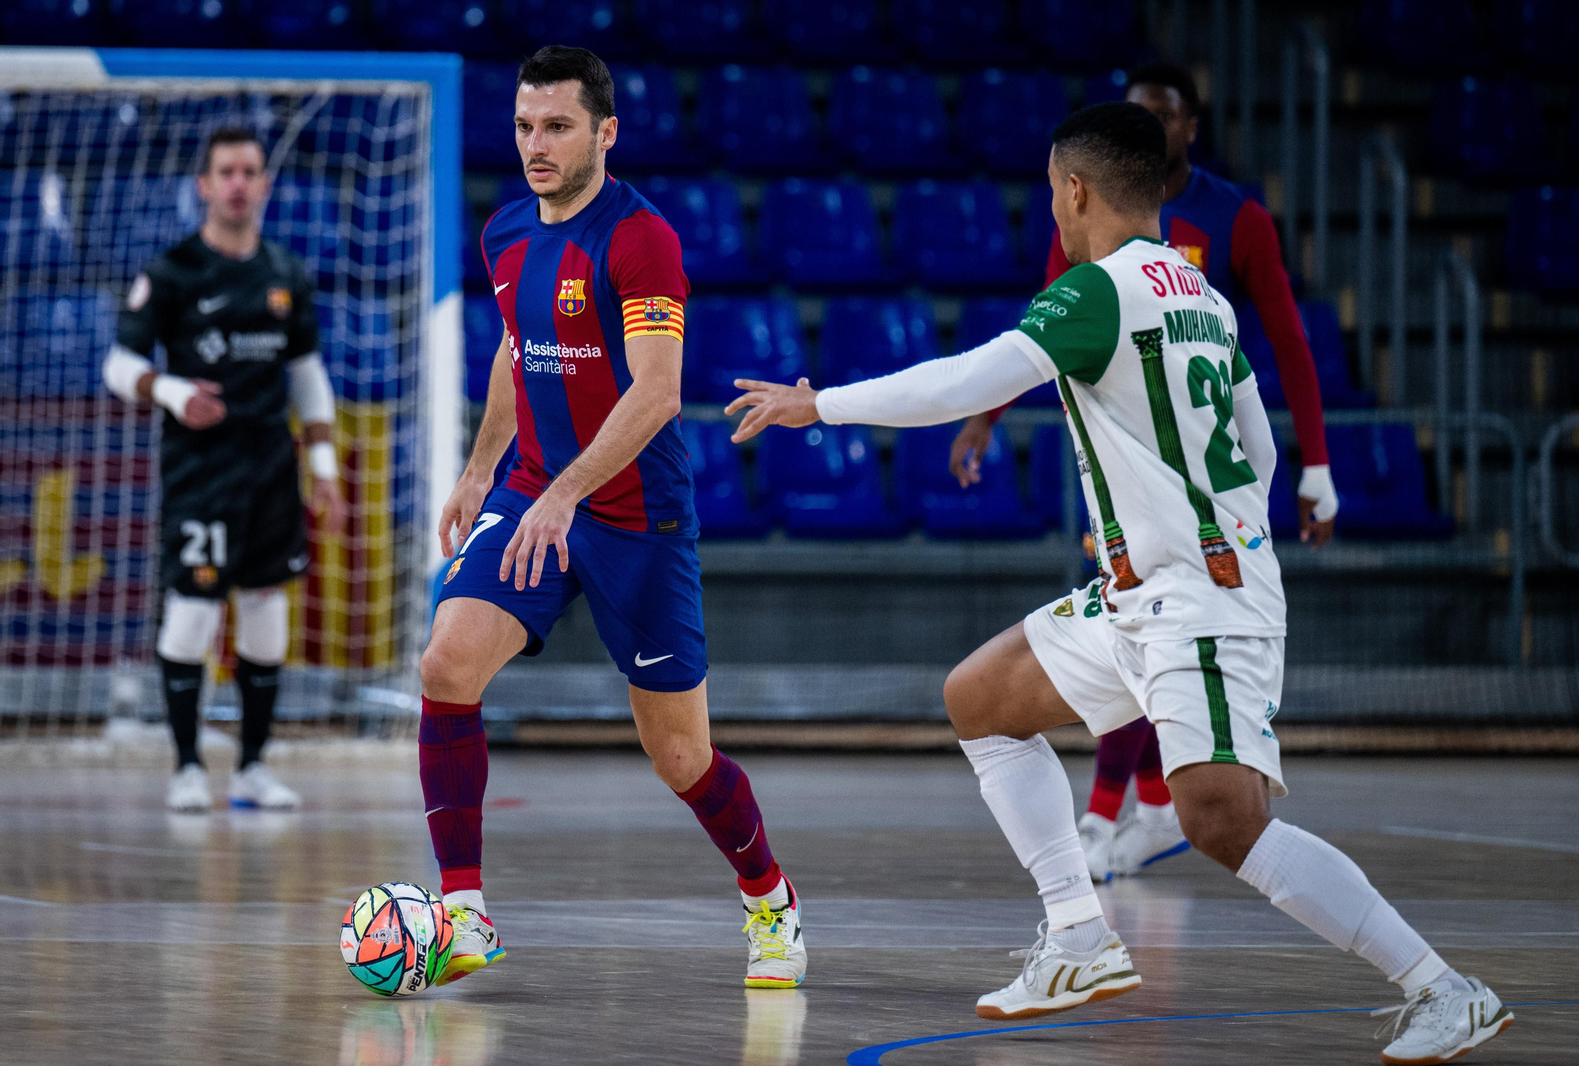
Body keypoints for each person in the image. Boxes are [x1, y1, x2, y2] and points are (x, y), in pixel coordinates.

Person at [726, 103, 1508, 1065]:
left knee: (1221, 820)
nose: (1052, 208)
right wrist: (1202, 531)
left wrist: (822, 404)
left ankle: (1445, 988)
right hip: (1150, 588)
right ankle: (1080, 939)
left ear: (1077, 189)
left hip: (1199, 600)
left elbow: (967, 381)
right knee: (980, 697)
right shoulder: (1200, 294)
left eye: (1053, 190)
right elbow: (1258, 445)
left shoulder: (1099, 291)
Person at [419, 46, 804, 990]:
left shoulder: (639, 239)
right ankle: (464, 912)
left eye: (556, 126)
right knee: (446, 661)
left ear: (605, 132)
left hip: (634, 515)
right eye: (523, 126)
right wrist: (482, 470)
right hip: (533, 495)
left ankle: (770, 899)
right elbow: (519, 351)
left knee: (680, 756)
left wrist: (565, 493)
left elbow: (659, 392)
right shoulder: (506, 232)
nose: (535, 145)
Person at [948, 62, 1340, 883]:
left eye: (1164, 114)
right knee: (1126, 621)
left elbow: (1289, 346)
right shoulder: (1100, 249)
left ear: (1189, 129)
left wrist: (1319, 467)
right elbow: (1033, 339)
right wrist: (985, 419)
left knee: (1163, 661)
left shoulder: (1232, 221)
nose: (1151, 125)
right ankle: (1128, 818)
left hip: (1191, 481)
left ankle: (1126, 815)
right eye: (1137, 115)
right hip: (1127, 458)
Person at [105, 127, 342, 814]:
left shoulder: (286, 275)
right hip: (200, 469)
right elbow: (118, 366)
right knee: (192, 616)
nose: (239, 183)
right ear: (205, 185)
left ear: (264, 184)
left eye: (250, 171)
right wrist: (177, 394)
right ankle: (185, 766)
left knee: (267, 615)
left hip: (271, 469)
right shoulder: (173, 271)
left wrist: (322, 463)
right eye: (226, 172)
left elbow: (307, 377)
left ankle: (253, 768)